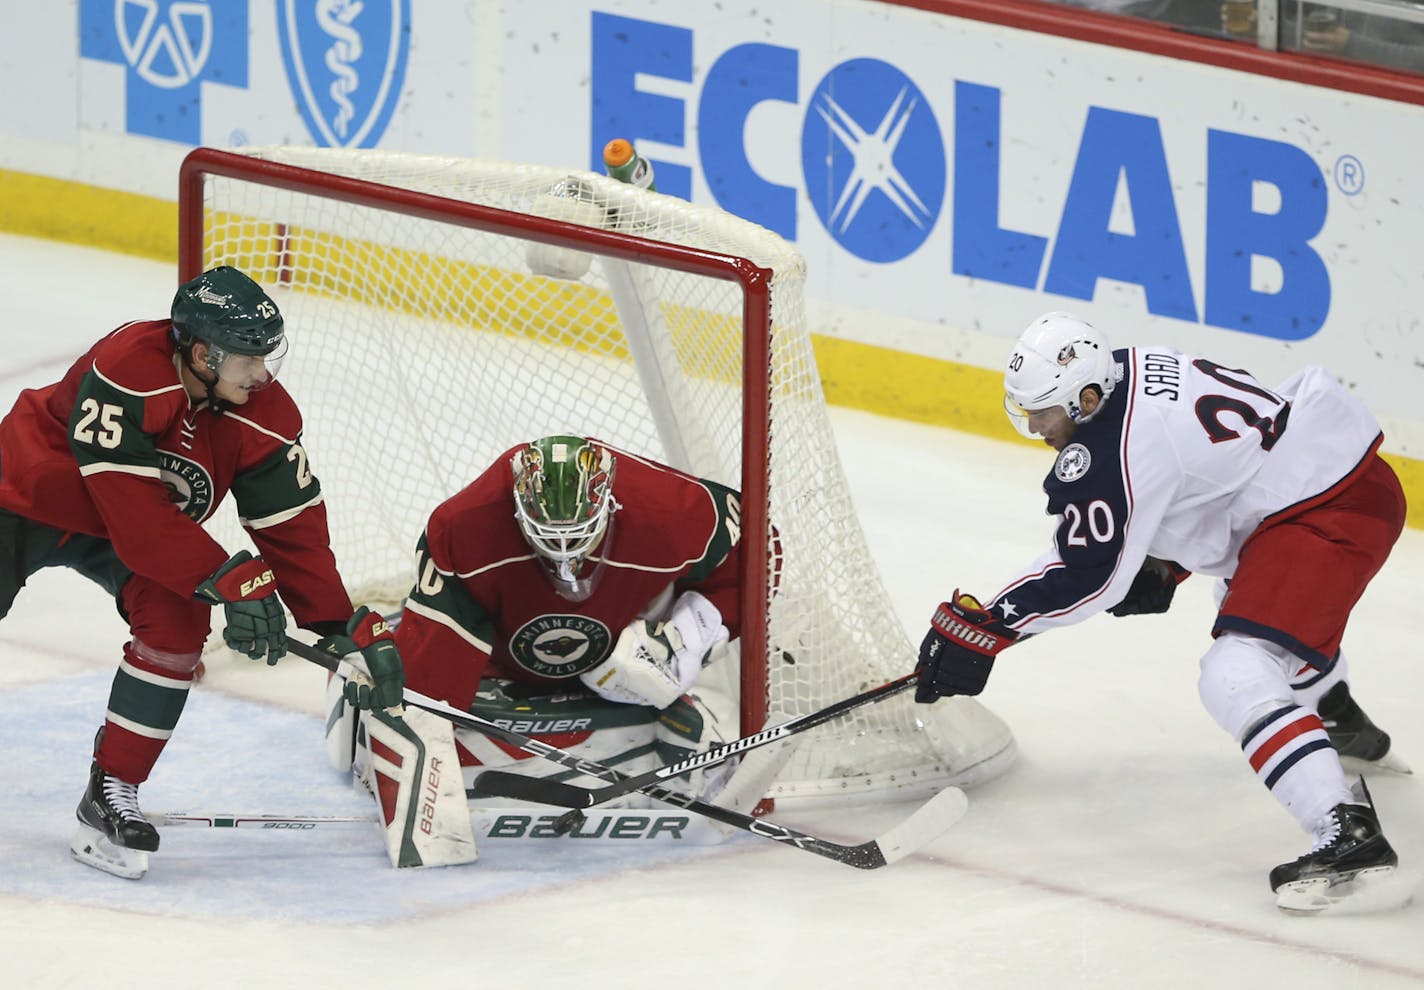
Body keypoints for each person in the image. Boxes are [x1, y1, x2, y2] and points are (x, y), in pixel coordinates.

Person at [913, 312, 1407, 912]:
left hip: (1325, 515)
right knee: (1257, 618)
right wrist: (1166, 562)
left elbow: (1089, 575)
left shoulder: (1112, 441)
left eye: (1044, 413)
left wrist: (984, 625)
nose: (1037, 427)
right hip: (1321, 490)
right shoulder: (1123, 368)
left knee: (1236, 671)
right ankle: (1334, 716)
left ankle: (1346, 834)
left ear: (1086, 397)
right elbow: (1203, 476)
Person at [0, 266, 404, 880]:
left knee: (179, 625)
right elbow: (134, 518)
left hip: (129, 532)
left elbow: (291, 530)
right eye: (248, 359)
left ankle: (111, 792)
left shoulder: (264, 413)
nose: (263, 373)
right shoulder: (128, 367)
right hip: (22, 500)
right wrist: (228, 575)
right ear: (202, 353)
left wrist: (334, 619)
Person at [325, 435, 778, 849]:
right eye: (546, 538)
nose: (566, 558)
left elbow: (762, 551)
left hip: (614, 647)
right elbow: (436, 669)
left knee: (640, 672)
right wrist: (412, 721)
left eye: (581, 537)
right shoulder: (464, 526)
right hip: (498, 657)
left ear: (611, 506)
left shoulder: (671, 511)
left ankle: (660, 727)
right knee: (414, 701)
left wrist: (686, 639)